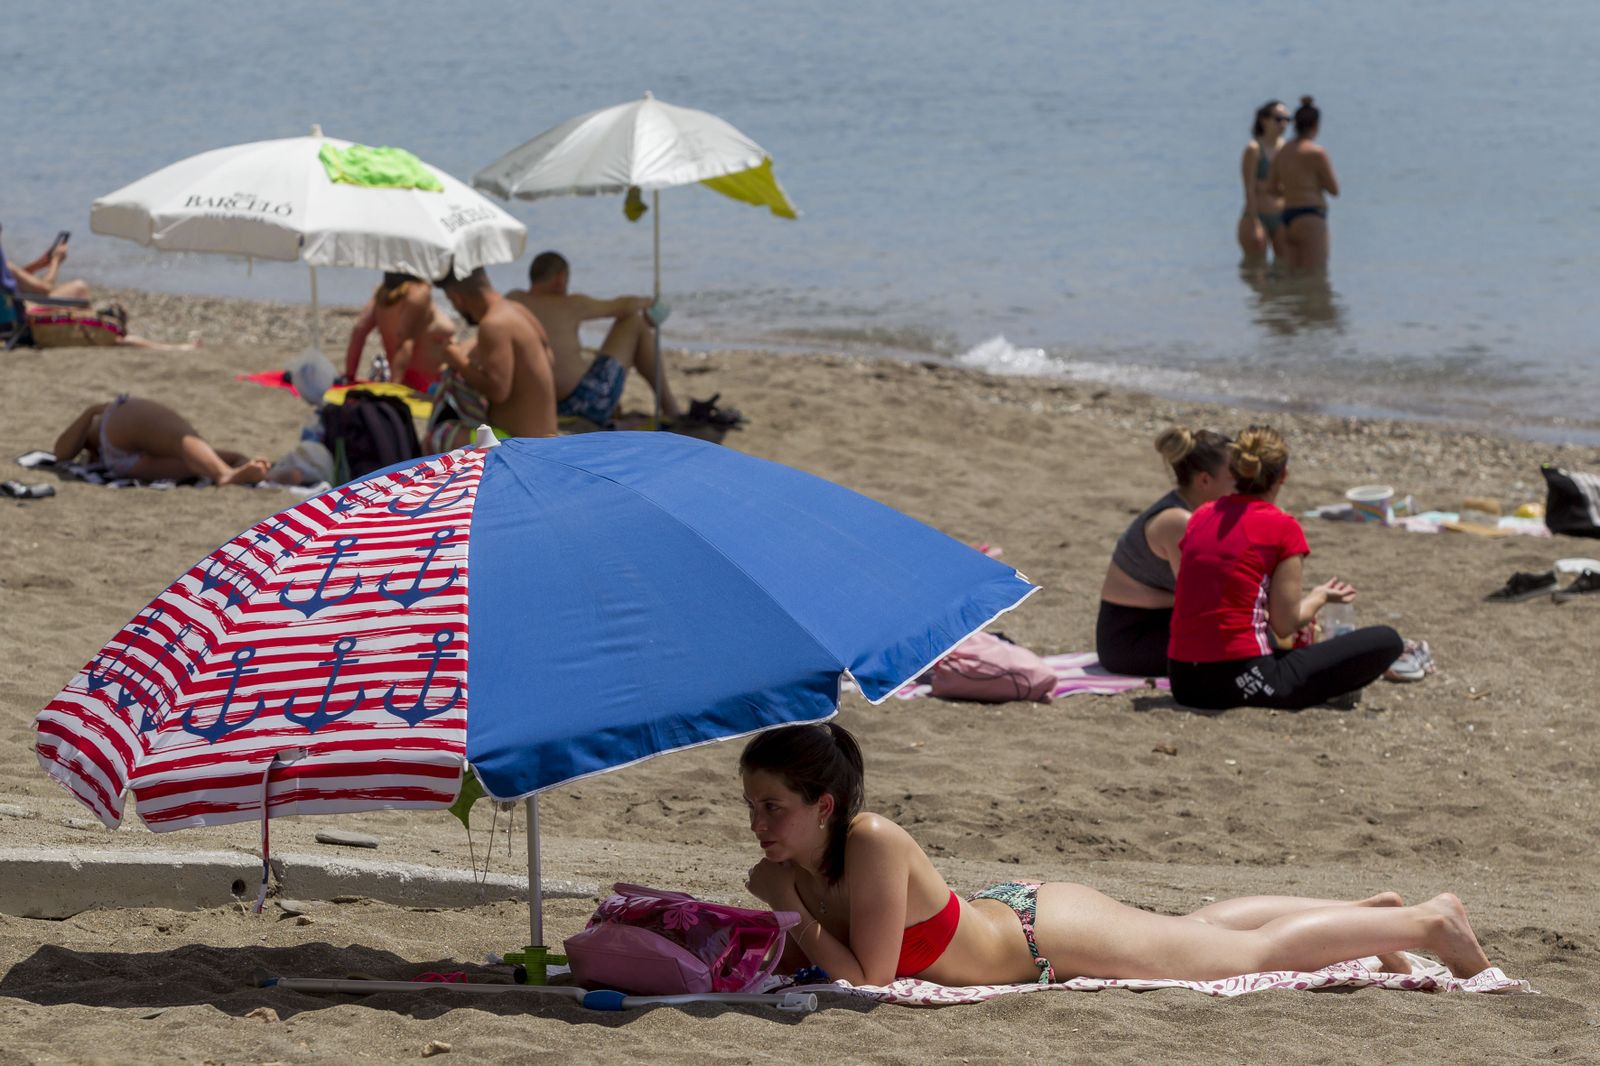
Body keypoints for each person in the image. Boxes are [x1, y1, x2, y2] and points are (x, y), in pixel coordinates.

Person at [741, 723, 1493, 987]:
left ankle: (1428, 923)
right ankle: (1366, 916)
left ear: (825, 806)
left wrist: (785, 910)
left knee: (1246, 956)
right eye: (752, 805)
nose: (758, 822)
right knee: (1201, 931)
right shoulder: (798, 866)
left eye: (773, 806)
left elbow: (869, 978)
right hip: (1023, 919)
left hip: (1045, 936)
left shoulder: (869, 840)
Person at [1166, 426, 1403, 711]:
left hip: (1183, 680)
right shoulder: (1283, 527)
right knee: (1388, 640)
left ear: (1235, 470)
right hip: (1241, 678)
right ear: (1283, 475)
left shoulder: (1201, 515)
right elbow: (1285, 624)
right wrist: (1319, 597)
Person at [508, 251, 740, 428]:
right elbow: (622, 307)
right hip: (584, 404)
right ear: (560, 278)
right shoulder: (570, 304)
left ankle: (667, 408)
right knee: (634, 322)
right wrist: (648, 304)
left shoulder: (513, 300)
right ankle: (670, 408)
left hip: (533, 406)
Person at [1095, 428, 1233, 677]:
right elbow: (1201, 600)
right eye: (1234, 475)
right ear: (1204, 480)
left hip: (1160, 621)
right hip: (1132, 640)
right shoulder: (1178, 522)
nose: (1242, 483)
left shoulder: (1196, 513)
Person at [434, 267, 558, 439]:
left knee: (438, 435)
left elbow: (498, 391)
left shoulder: (492, 325)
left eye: (451, 301)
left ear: (457, 298)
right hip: (549, 435)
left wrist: (458, 361)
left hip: (520, 442)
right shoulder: (516, 309)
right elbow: (549, 360)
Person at [52, 396, 270, 486]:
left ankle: (231, 469)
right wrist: (91, 411)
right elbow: (60, 453)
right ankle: (226, 474)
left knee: (196, 462)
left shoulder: (91, 444)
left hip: (124, 465)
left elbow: (63, 454)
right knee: (182, 440)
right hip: (118, 426)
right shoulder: (97, 420)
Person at [343, 273, 457, 392]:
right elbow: (405, 344)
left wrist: (349, 376)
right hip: (433, 384)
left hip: (410, 380)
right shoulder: (417, 294)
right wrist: (394, 389)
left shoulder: (382, 295)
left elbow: (359, 332)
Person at [1268, 96, 1340, 271]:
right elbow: (1334, 189)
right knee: (1315, 277)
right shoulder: (1317, 153)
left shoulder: (1282, 151)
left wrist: (1292, 189)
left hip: (1287, 217)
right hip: (1311, 215)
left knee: (1293, 277)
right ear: (1316, 125)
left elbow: (1272, 188)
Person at [1238, 100, 1291, 264]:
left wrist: (1267, 186)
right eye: (1278, 119)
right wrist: (1254, 222)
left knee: (1284, 267)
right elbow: (1249, 189)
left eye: (1287, 119)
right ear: (1264, 120)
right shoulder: (1254, 148)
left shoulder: (1286, 148)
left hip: (1280, 217)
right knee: (1255, 268)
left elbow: (1289, 186)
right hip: (1256, 216)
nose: (1283, 124)